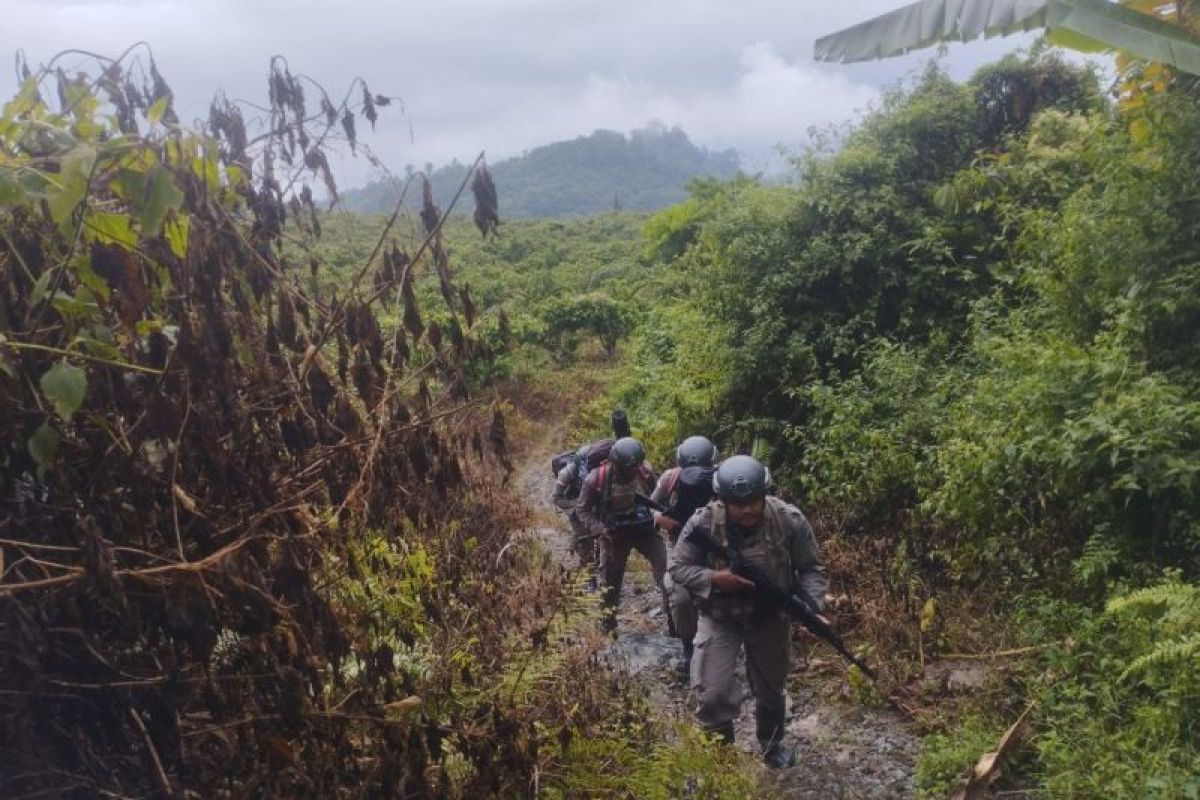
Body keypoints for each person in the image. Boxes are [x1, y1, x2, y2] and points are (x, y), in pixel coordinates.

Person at [669, 455, 828, 769]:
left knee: (771, 689)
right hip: (719, 616)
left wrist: (812, 608)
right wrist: (714, 579)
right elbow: (678, 566)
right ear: (723, 500)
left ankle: (771, 744)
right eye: (737, 503)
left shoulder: (788, 520)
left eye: (753, 501)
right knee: (712, 692)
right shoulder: (703, 522)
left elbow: (812, 569)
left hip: (769, 616)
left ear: (764, 493)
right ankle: (721, 757)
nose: (746, 510)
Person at [575, 436, 665, 632]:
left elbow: (659, 497)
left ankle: (676, 624)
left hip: (643, 529)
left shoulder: (645, 472)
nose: (631, 474)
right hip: (614, 534)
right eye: (627, 471)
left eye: (634, 470)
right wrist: (600, 529)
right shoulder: (595, 479)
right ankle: (607, 625)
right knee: (610, 581)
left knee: (666, 571)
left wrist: (657, 515)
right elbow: (582, 510)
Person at [651, 435, 719, 677]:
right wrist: (660, 519)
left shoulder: (721, 479)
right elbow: (651, 505)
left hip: (718, 545)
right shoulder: (670, 478)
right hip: (680, 541)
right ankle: (684, 641)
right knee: (676, 592)